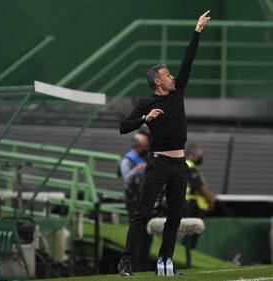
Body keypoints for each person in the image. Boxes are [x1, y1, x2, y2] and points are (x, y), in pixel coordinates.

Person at [117, 10, 211, 276]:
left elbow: (188, 61)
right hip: (157, 164)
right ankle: (126, 260)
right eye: (167, 75)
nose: (173, 77)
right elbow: (124, 127)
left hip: (179, 164)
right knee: (142, 212)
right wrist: (144, 118)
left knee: (175, 215)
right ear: (157, 81)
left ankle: (164, 261)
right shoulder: (147, 103)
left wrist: (197, 32)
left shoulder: (176, 92)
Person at [119, 132, 150, 272]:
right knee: (137, 232)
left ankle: (144, 264)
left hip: (143, 199)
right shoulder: (128, 160)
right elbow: (126, 180)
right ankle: (135, 264)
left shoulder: (142, 158)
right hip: (133, 200)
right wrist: (137, 170)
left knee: (147, 233)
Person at [183, 143, 215, 248]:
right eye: (199, 154)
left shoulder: (188, 166)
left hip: (193, 204)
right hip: (193, 205)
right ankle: (187, 258)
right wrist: (211, 199)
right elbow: (200, 187)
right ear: (192, 154)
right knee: (191, 235)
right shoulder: (189, 166)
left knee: (191, 234)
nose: (201, 157)